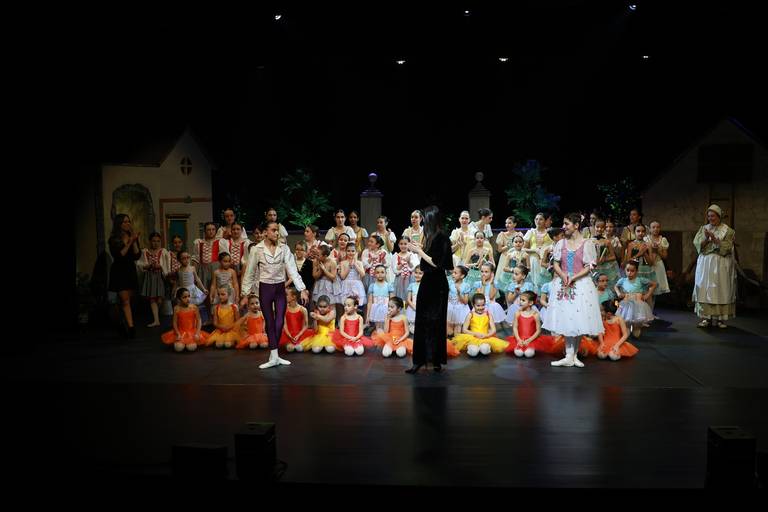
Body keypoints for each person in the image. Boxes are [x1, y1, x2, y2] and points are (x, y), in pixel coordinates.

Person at [241, 221, 310, 369]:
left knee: (279, 321)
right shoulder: (257, 249)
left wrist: (302, 289)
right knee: (269, 321)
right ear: (265, 232)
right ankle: (274, 355)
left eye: (277, 230)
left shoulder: (284, 248)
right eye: (273, 230)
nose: (277, 233)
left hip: (279, 287)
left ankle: (274, 355)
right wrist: (245, 293)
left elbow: (292, 270)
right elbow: (250, 272)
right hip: (265, 288)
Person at [406, 205, 453, 373]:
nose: (423, 220)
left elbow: (437, 263)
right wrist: (420, 247)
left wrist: (419, 251)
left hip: (438, 284)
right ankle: (419, 360)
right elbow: (431, 256)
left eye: (425, 217)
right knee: (422, 320)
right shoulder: (430, 236)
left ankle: (436, 359)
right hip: (427, 282)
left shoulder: (442, 237)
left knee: (436, 321)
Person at [692, 204, 737, 328]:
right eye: (709, 216)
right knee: (705, 288)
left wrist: (715, 239)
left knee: (720, 288)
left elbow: (727, 247)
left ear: (719, 216)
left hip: (720, 262)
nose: (710, 218)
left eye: (713, 216)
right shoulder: (704, 229)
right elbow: (697, 245)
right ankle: (705, 317)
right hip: (705, 262)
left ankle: (720, 318)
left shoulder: (728, 230)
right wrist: (707, 239)